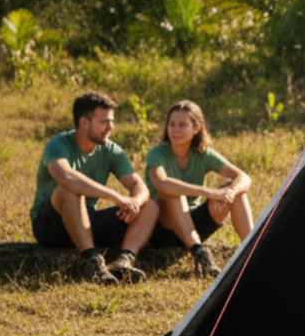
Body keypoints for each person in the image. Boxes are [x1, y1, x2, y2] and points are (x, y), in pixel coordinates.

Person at [30, 91, 158, 285]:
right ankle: (92, 262)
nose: (110, 127)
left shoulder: (111, 150)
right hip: (50, 225)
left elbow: (138, 185)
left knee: (150, 206)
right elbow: (65, 175)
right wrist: (115, 196)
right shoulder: (58, 145)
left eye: (111, 121)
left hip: (86, 221)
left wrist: (134, 202)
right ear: (84, 122)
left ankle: (123, 261)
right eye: (104, 122)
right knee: (70, 190)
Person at [146, 100, 253, 278]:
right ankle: (199, 252)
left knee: (236, 190)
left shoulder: (203, 153)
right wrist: (208, 192)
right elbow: (161, 182)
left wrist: (231, 192)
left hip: (194, 222)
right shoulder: (156, 153)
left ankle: (252, 249)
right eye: (172, 124)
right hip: (163, 227)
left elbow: (244, 177)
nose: (175, 130)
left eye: (182, 125)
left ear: (196, 128)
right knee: (172, 191)